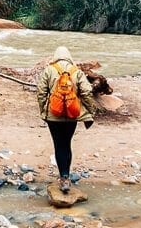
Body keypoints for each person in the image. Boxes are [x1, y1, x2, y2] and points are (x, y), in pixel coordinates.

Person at [37, 46, 96, 193]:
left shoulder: (49, 70)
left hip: (53, 116)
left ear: (55, 56)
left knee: (58, 145)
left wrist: (43, 110)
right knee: (67, 144)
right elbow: (87, 92)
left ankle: (62, 178)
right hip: (72, 115)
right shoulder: (77, 72)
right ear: (69, 57)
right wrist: (90, 110)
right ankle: (66, 176)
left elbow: (41, 93)